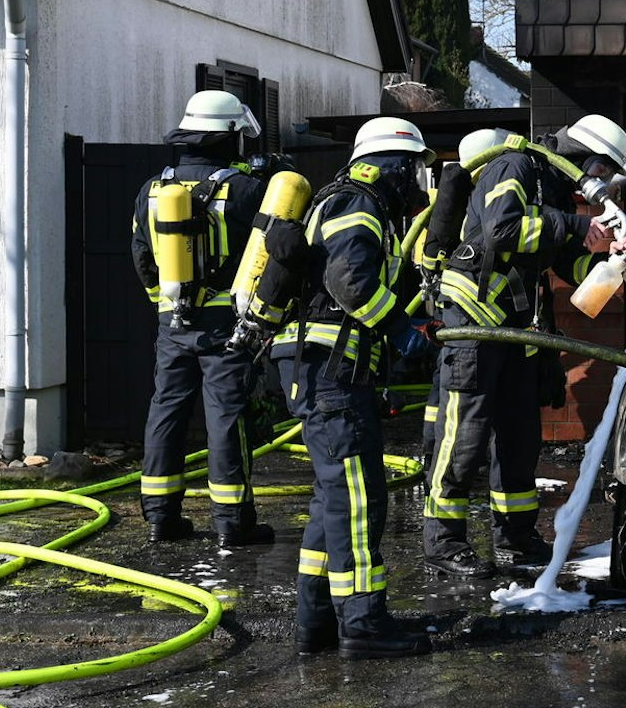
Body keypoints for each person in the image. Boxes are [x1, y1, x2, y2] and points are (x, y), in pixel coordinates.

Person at [419, 115, 626, 577]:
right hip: (475, 321)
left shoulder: (552, 189)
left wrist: (609, 258)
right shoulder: (514, 166)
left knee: (520, 439)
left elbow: (564, 265)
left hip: (517, 330)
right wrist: (579, 228)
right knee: (465, 437)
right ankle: (443, 542)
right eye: (602, 170)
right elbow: (501, 231)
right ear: (585, 156)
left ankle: (515, 539)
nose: (601, 182)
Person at [272, 116, 434, 659]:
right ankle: (363, 621)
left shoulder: (348, 202)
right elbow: (349, 283)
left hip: (324, 370)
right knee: (359, 499)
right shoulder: (357, 203)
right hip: (331, 373)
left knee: (332, 501)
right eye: (412, 168)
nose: (417, 180)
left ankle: (315, 622)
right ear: (391, 165)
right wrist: (397, 329)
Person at [130, 89, 267, 548]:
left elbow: (142, 256)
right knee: (226, 417)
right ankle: (233, 523)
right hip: (227, 324)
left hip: (172, 324)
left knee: (166, 410)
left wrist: (164, 305)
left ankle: (159, 518)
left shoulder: (152, 190)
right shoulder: (246, 189)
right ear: (227, 136)